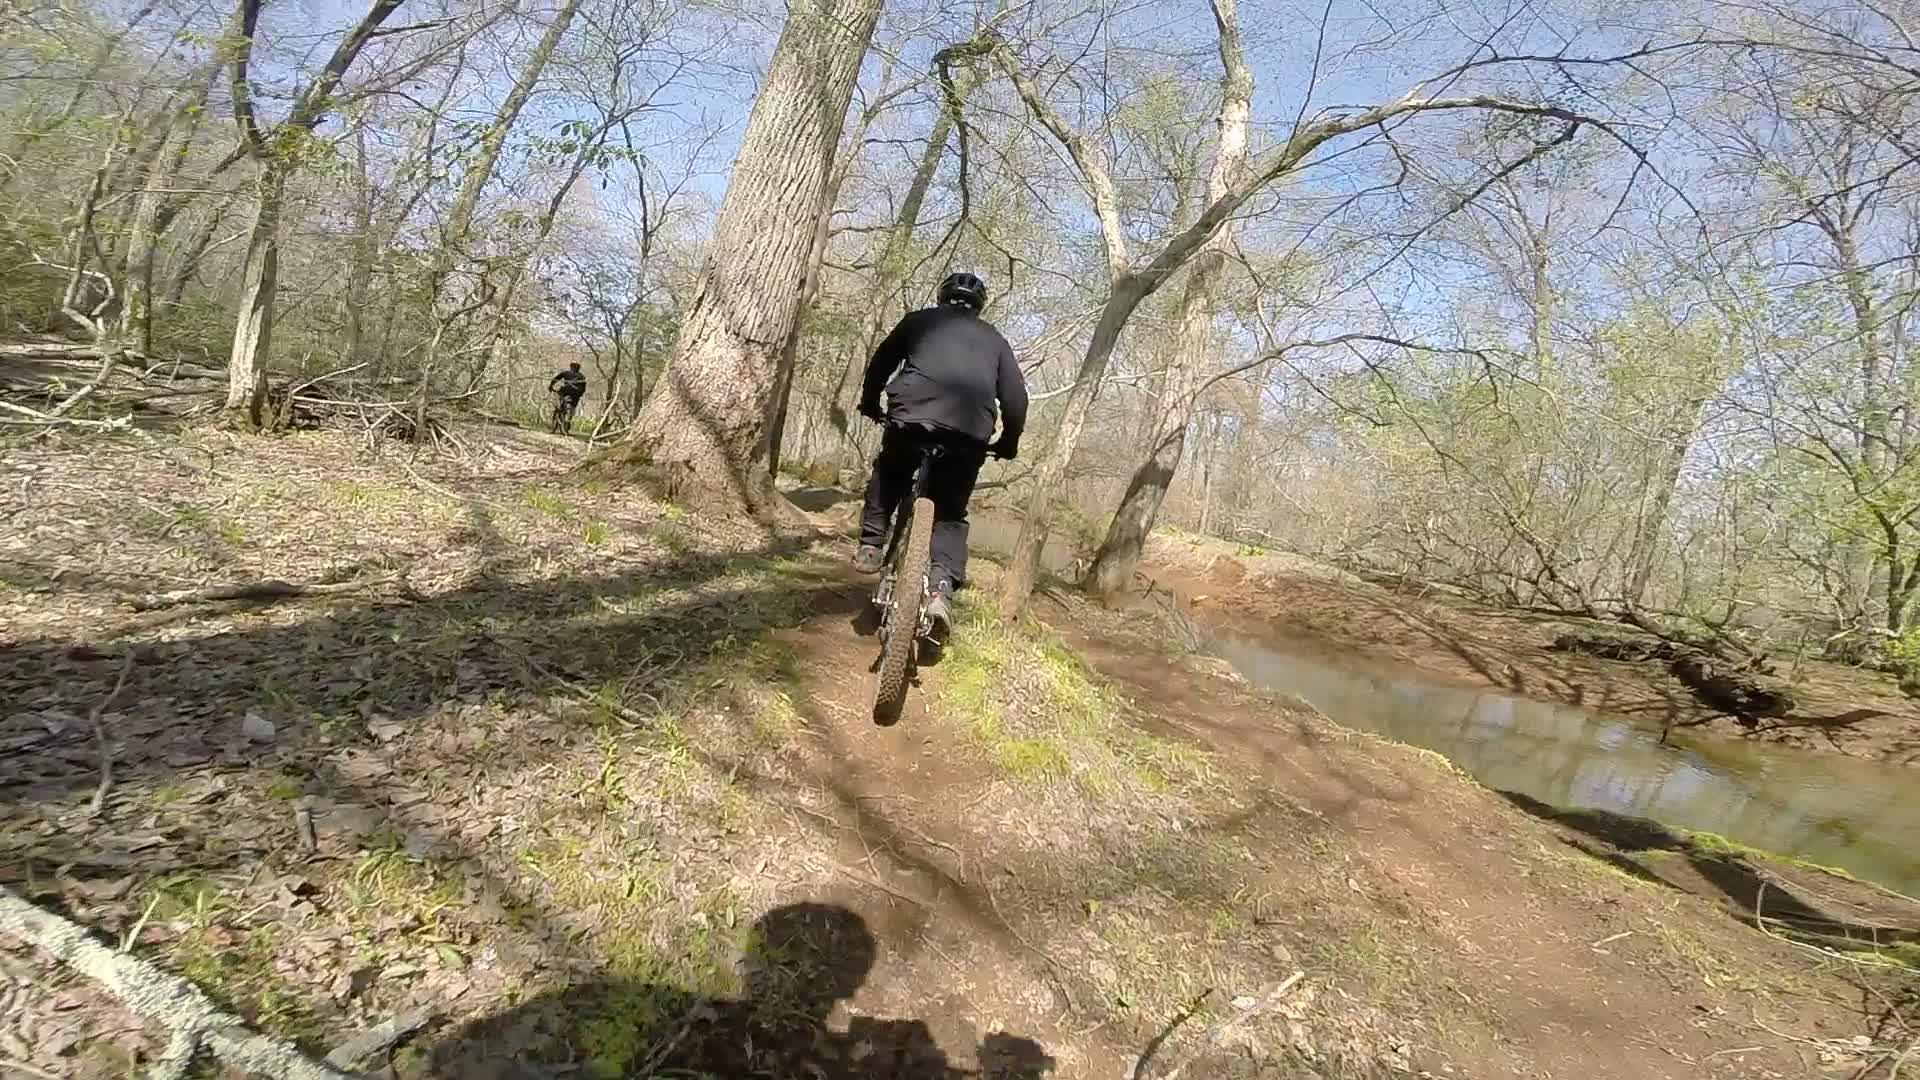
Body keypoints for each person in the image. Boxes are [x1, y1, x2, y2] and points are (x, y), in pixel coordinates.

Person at [854, 271, 1028, 640]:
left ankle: (872, 544)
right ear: (979, 308)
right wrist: (1009, 442)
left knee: (890, 471)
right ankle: (941, 589)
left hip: (911, 418)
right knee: (949, 513)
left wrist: (870, 402)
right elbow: (1015, 399)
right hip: (968, 433)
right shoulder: (995, 340)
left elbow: (880, 365)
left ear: (941, 297)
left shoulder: (918, 322)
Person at [548, 362, 586, 432]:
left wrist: (551, 386)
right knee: (572, 407)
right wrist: (579, 395)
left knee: (559, 406)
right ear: (578, 368)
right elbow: (583, 389)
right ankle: (567, 422)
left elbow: (555, 379)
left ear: (571, 367)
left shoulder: (566, 373)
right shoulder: (582, 376)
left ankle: (556, 424)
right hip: (575, 395)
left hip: (565, 392)